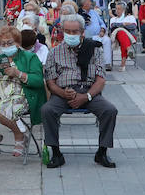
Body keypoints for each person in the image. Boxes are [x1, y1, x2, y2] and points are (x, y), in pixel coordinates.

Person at [42, 14, 118, 168]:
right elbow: (50, 82)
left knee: (109, 110)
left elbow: (101, 79)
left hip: (88, 92)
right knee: (47, 110)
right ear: (62, 31)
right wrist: (63, 93)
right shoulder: (54, 52)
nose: (70, 35)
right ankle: (56, 153)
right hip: (63, 92)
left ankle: (101, 152)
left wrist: (86, 96)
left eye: (74, 31)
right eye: (67, 31)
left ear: (82, 32)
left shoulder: (94, 50)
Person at [0, 25, 45, 156]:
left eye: (9, 43)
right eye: (3, 43)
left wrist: (18, 73)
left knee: (0, 111)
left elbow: (39, 81)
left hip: (21, 95)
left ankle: (20, 136)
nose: (6, 46)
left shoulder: (29, 58)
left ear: (18, 43)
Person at [107, 2, 137, 71]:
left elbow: (133, 26)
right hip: (118, 38)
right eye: (116, 9)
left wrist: (120, 25)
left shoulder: (130, 17)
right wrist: (124, 24)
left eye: (119, 9)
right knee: (121, 32)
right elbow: (112, 26)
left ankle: (123, 64)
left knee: (123, 37)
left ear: (123, 10)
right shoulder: (113, 19)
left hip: (131, 37)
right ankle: (128, 50)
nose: (116, 11)